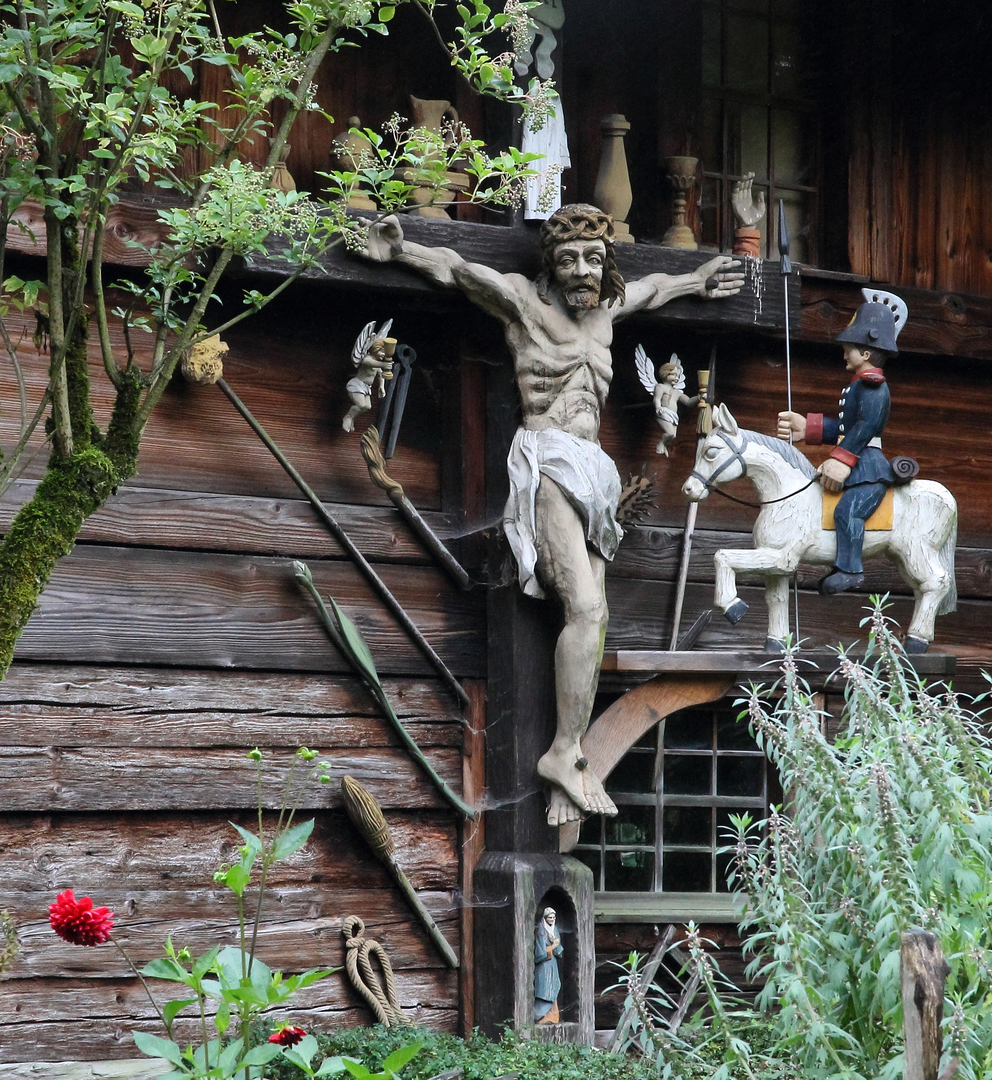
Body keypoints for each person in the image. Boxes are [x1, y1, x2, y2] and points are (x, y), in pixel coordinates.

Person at [356, 206, 743, 823]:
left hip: (594, 466)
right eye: (568, 260)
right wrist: (400, 250)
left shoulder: (609, 313)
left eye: (593, 257)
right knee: (584, 608)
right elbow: (457, 271)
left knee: (597, 615)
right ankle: (564, 751)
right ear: (551, 267)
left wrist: (701, 279)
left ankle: (571, 761)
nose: (582, 269)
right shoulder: (524, 305)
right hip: (549, 457)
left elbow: (656, 288)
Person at [777, 296, 902, 594]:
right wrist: (809, 428)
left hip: (867, 465)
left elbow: (867, 427)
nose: (844, 354)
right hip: (857, 460)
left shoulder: (873, 386)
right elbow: (845, 427)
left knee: (848, 511)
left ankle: (850, 570)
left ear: (867, 352)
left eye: (849, 349)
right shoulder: (859, 384)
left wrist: (841, 459)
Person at [533, 906, 563, 1024]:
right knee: (544, 989)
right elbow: (539, 955)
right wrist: (553, 946)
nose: (551, 919)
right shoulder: (541, 931)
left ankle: (552, 1015)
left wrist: (556, 944)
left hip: (553, 965)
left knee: (554, 985)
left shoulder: (554, 929)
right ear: (545, 918)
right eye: (549, 917)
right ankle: (541, 1015)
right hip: (544, 966)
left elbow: (559, 951)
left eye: (553, 917)